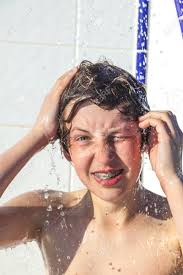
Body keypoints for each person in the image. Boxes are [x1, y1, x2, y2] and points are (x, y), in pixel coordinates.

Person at [0, 60, 183, 275]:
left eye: (119, 136)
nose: (104, 157)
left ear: (144, 140)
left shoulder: (173, 223)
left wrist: (170, 177)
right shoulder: (50, 214)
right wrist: (39, 135)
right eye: (83, 138)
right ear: (67, 150)